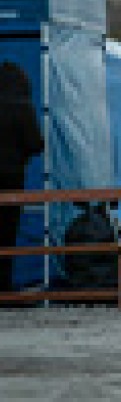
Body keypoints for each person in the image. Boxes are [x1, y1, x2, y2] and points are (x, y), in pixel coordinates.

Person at [0, 62, 44, 296]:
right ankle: (3, 285)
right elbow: (35, 144)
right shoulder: (23, 106)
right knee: (7, 231)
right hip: (12, 177)